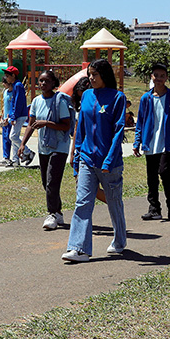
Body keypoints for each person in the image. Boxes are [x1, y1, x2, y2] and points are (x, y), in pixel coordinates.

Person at [63, 59, 128, 262]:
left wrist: (108, 160)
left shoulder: (118, 98)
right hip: (87, 160)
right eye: (89, 74)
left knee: (114, 202)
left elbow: (118, 131)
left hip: (110, 163)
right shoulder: (87, 95)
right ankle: (78, 248)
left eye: (95, 74)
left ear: (105, 75)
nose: (91, 78)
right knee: (82, 202)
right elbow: (80, 128)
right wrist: (76, 158)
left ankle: (119, 241)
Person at [19, 69, 75, 230]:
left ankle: (51, 214)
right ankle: (58, 211)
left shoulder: (59, 101)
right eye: (40, 81)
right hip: (44, 146)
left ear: (53, 84)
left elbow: (66, 125)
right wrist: (23, 144)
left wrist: (47, 123)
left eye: (46, 81)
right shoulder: (36, 101)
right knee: (46, 182)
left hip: (60, 146)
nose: (43, 84)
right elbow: (31, 124)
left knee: (52, 181)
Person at [132, 63, 170, 221]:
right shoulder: (145, 98)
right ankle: (154, 208)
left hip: (166, 143)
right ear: (152, 77)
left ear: (166, 78)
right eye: (156, 75)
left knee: (164, 173)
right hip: (150, 144)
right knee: (151, 177)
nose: (159, 79)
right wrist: (137, 142)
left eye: (163, 76)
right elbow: (140, 122)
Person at [0, 66, 31, 167]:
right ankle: (15, 160)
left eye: (7, 76)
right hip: (16, 115)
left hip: (20, 116)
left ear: (13, 75)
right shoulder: (15, 85)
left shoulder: (18, 86)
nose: (6, 78)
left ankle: (28, 152)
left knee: (12, 136)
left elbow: (18, 103)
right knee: (14, 137)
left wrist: (13, 117)